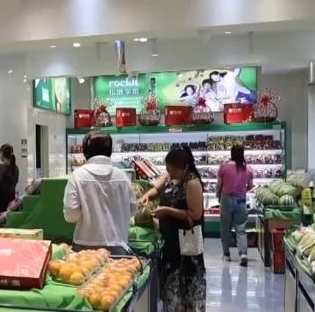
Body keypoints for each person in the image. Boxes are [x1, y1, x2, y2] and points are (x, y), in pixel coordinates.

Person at [139, 147, 206, 311]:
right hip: (170, 244)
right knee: (171, 290)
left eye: (173, 169)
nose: (169, 172)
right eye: (168, 168)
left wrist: (167, 211)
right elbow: (156, 189)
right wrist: (147, 196)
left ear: (185, 168)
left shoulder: (192, 183)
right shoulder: (170, 177)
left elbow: (195, 215)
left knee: (187, 292)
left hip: (186, 247)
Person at [62, 131, 137, 255]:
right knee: (119, 268)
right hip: (118, 245)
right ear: (110, 150)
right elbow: (133, 209)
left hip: (85, 248)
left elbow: (71, 215)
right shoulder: (122, 176)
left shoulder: (78, 175)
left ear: (85, 151)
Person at [217, 144, 254, 266]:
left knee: (225, 228)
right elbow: (250, 186)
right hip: (241, 201)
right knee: (241, 228)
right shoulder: (248, 169)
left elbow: (219, 185)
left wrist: (218, 196)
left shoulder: (223, 167)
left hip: (226, 199)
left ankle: (226, 254)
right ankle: (243, 254)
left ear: (231, 153)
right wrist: (242, 190)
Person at [0, 144, 18, 214]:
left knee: (0, 217)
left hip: (1, 199)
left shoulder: (1, 167)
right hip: (11, 198)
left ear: (2, 153)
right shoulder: (16, 168)